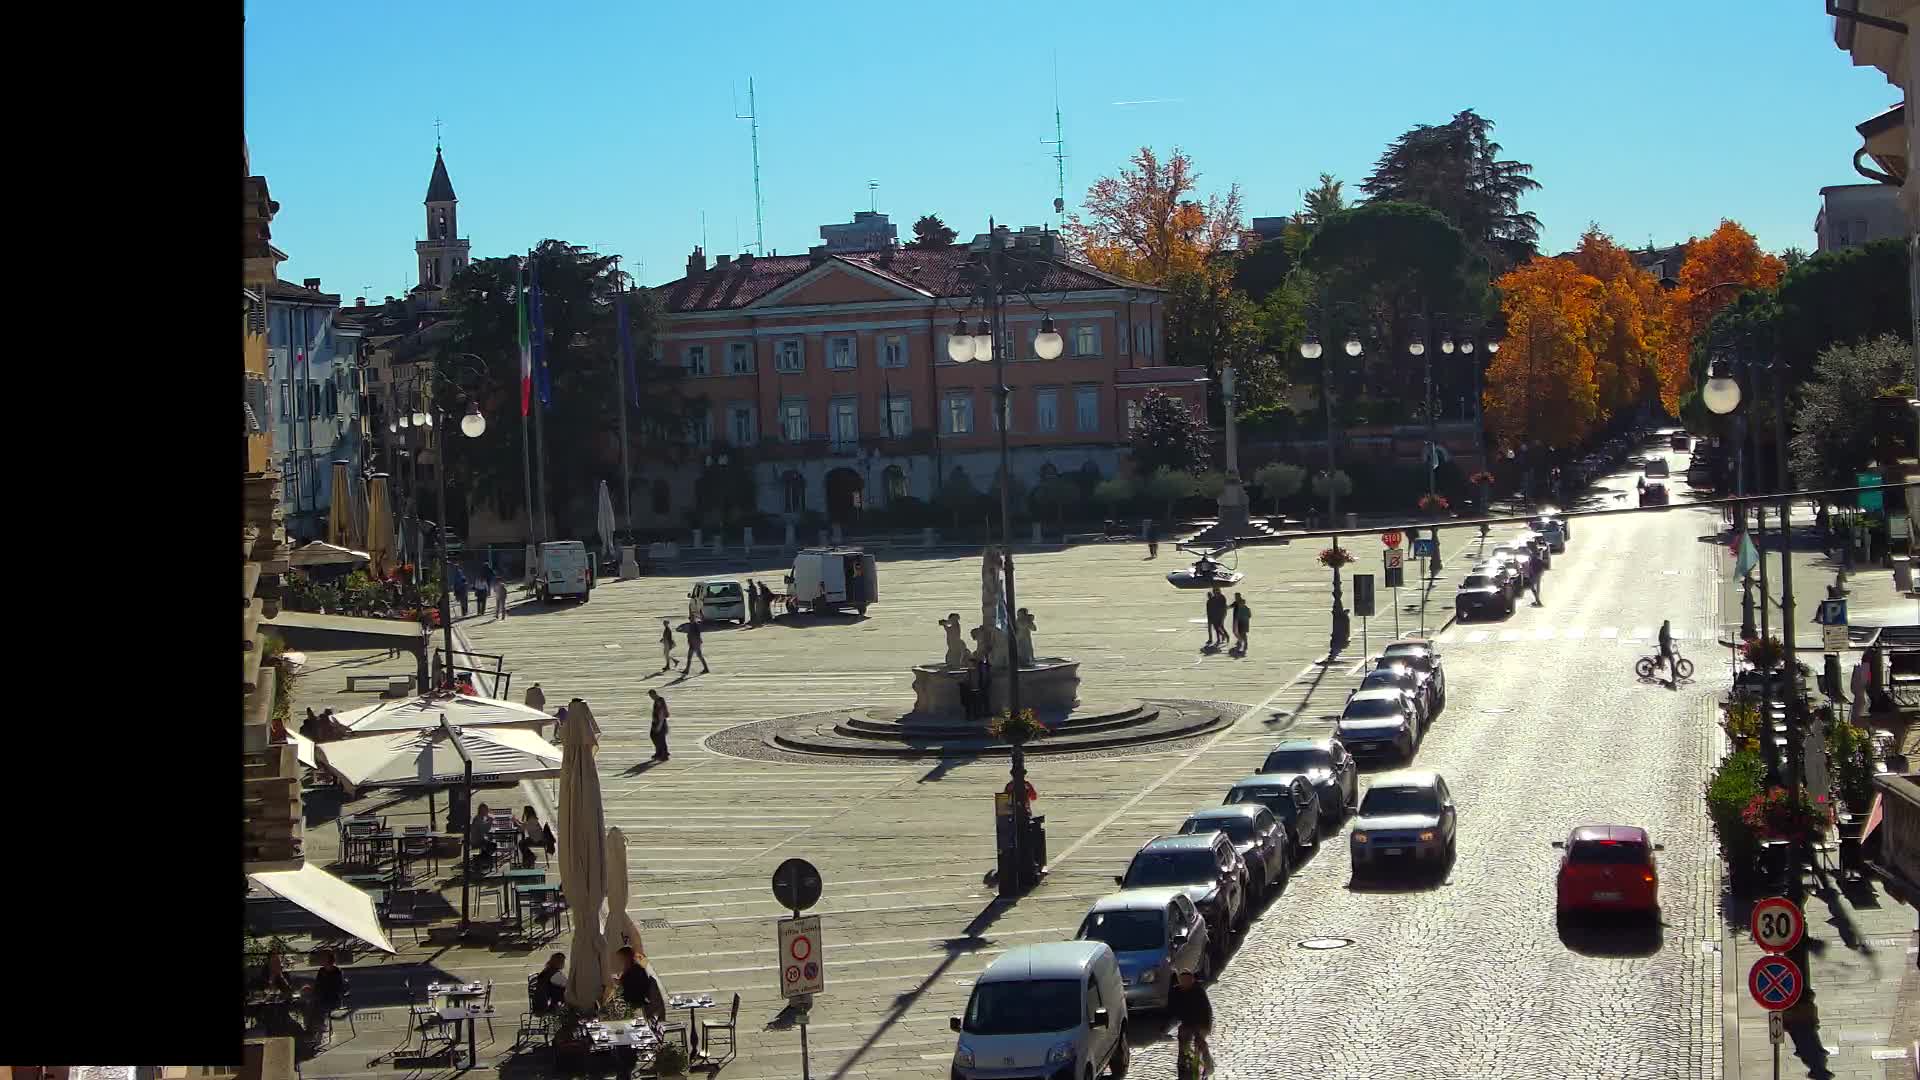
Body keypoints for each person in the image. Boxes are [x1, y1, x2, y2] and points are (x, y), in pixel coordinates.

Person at [1166, 967, 1214, 1078]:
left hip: (1202, 1022)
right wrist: (1165, 1026)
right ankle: (1182, 1063)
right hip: (1187, 1023)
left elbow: (1207, 1011)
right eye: (1182, 980)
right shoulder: (1175, 992)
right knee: (1182, 1039)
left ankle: (1208, 1066)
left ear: (1192, 980)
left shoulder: (1199, 992)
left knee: (1200, 1042)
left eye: (1187, 980)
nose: (1185, 982)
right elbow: (1171, 1011)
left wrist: (1204, 1029)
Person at [303, 948, 347, 1039]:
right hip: (320, 998)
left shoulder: (337, 972)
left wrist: (318, 992)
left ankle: (318, 1030)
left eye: (322, 957)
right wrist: (310, 989)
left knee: (315, 1007)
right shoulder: (321, 971)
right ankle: (312, 1030)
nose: (320, 959)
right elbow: (318, 986)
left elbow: (336, 990)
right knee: (308, 1005)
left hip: (332, 1000)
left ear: (329, 959)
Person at [648, 689, 670, 761]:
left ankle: (663, 755)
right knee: (656, 737)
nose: (651, 697)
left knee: (660, 739)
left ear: (654, 694)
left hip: (659, 723)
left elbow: (661, 714)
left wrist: (659, 726)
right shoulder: (659, 700)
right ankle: (660, 752)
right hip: (657, 722)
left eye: (651, 696)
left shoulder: (659, 701)